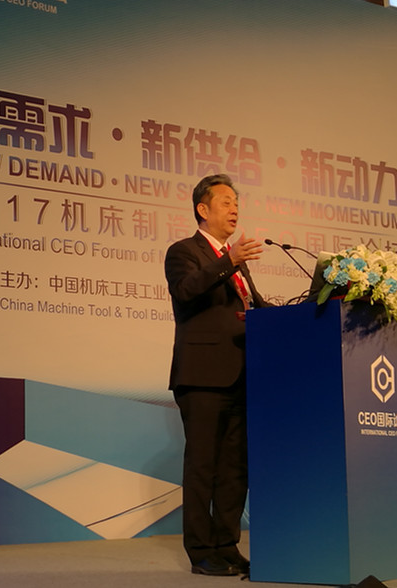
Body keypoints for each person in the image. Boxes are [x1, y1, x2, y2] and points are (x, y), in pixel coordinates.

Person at [164, 174, 268, 576]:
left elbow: (252, 308)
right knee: (203, 467)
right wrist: (230, 261)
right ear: (202, 209)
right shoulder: (184, 251)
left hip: (242, 375)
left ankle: (226, 544)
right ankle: (201, 551)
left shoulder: (234, 261)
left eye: (236, 202)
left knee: (235, 468)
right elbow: (187, 290)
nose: (235, 209)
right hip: (202, 377)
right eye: (226, 202)